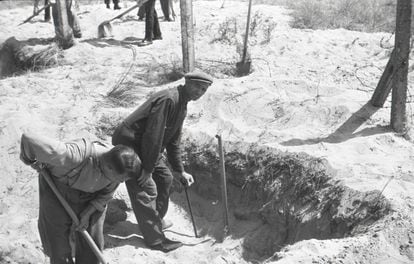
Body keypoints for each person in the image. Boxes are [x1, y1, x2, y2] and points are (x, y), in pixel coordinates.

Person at [112, 70, 213, 252]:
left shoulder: (182, 103)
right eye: (198, 86)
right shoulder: (169, 99)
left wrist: (180, 170)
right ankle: (155, 240)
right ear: (187, 82)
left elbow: (173, 140)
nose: (200, 92)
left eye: (204, 90)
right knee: (145, 188)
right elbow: (153, 135)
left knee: (166, 178)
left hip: (144, 145)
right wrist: (147, 169)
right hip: (129, 143)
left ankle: (155, 221)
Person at [20, 132, 141, 264]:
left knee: (93, 239)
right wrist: (30, 160)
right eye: (121, 178)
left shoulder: (118, 170)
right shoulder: (75, 154)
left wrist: (87, 213)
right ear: (109, 168)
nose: (122, 182)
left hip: (92, 196)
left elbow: (105, 196)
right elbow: (29, 138)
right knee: (57, 239)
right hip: (57, 190)